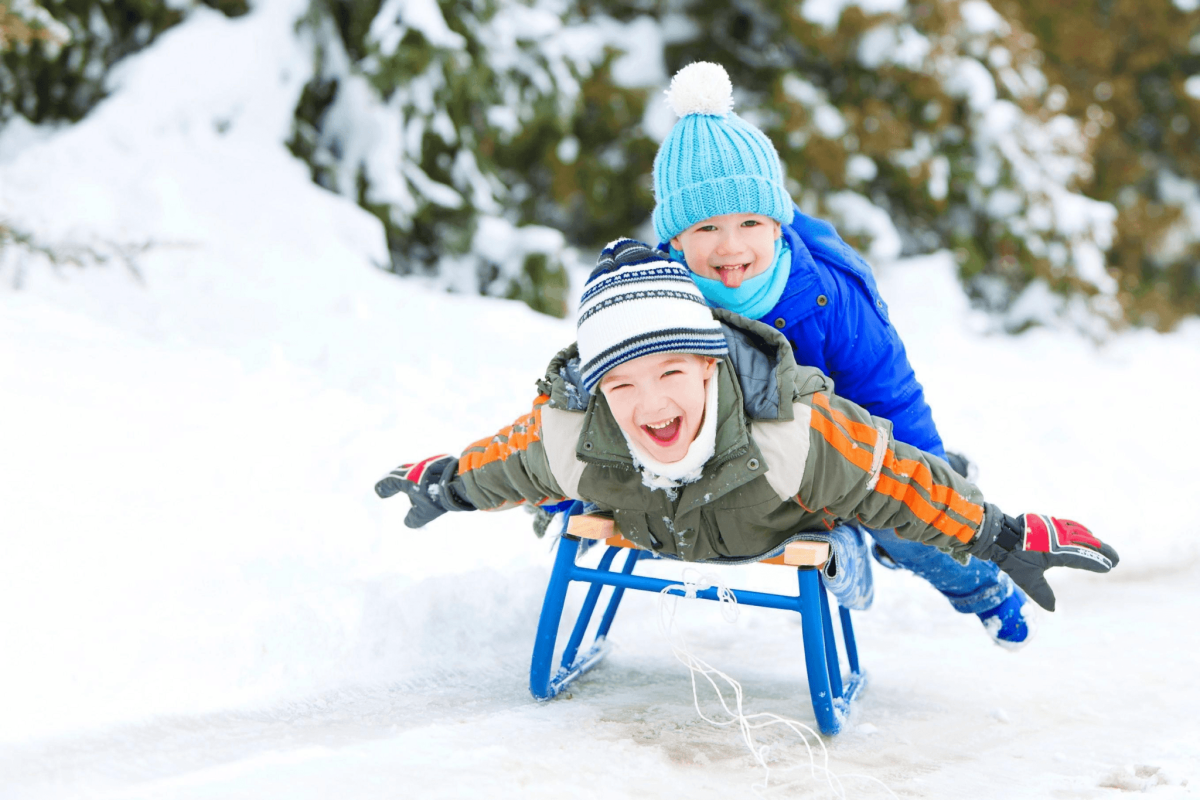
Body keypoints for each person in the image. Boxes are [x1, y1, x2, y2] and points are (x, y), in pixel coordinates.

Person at [376, 239, 1118, 619]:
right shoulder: (574, 432)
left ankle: (908, 571)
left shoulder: (792, 429)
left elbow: (900, 482)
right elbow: (503, 462)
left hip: (785, 514)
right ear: (599, 387)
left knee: (881, 510)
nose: (650, 404)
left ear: (709, 368)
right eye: (622, 383)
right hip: (664, 521)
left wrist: (1005, 535)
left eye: (670, 373)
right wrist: (442, 484)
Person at [648, 61, 1031, 644]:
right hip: (734, 473)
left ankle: (981, 588)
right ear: (675, 237)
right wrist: (569, 483)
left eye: (750, 221)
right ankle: (848, 536)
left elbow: (888, 392)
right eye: (705, 229)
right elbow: (610, 388)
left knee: (905, 513)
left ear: (777, 225)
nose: (730, 247)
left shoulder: (827, 298)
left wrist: (933, 486)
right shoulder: (657, 296)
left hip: (843, 455)